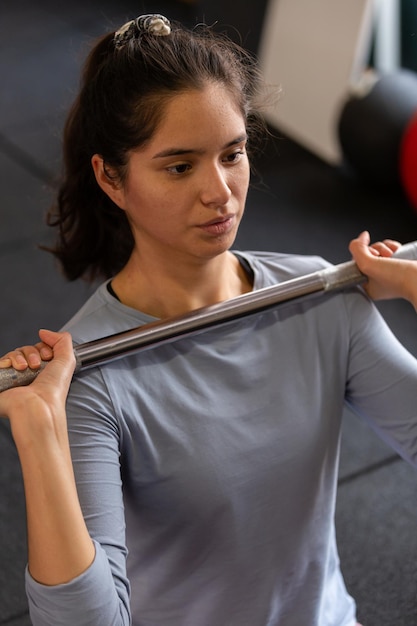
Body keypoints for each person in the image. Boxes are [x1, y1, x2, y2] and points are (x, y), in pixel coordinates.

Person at [0, 13, 416, 626]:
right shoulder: (89, 376)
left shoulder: (318, 292)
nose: (220, 191)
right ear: (112, 178)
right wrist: (40, 435)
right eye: (179, 166)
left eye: (233, 153)